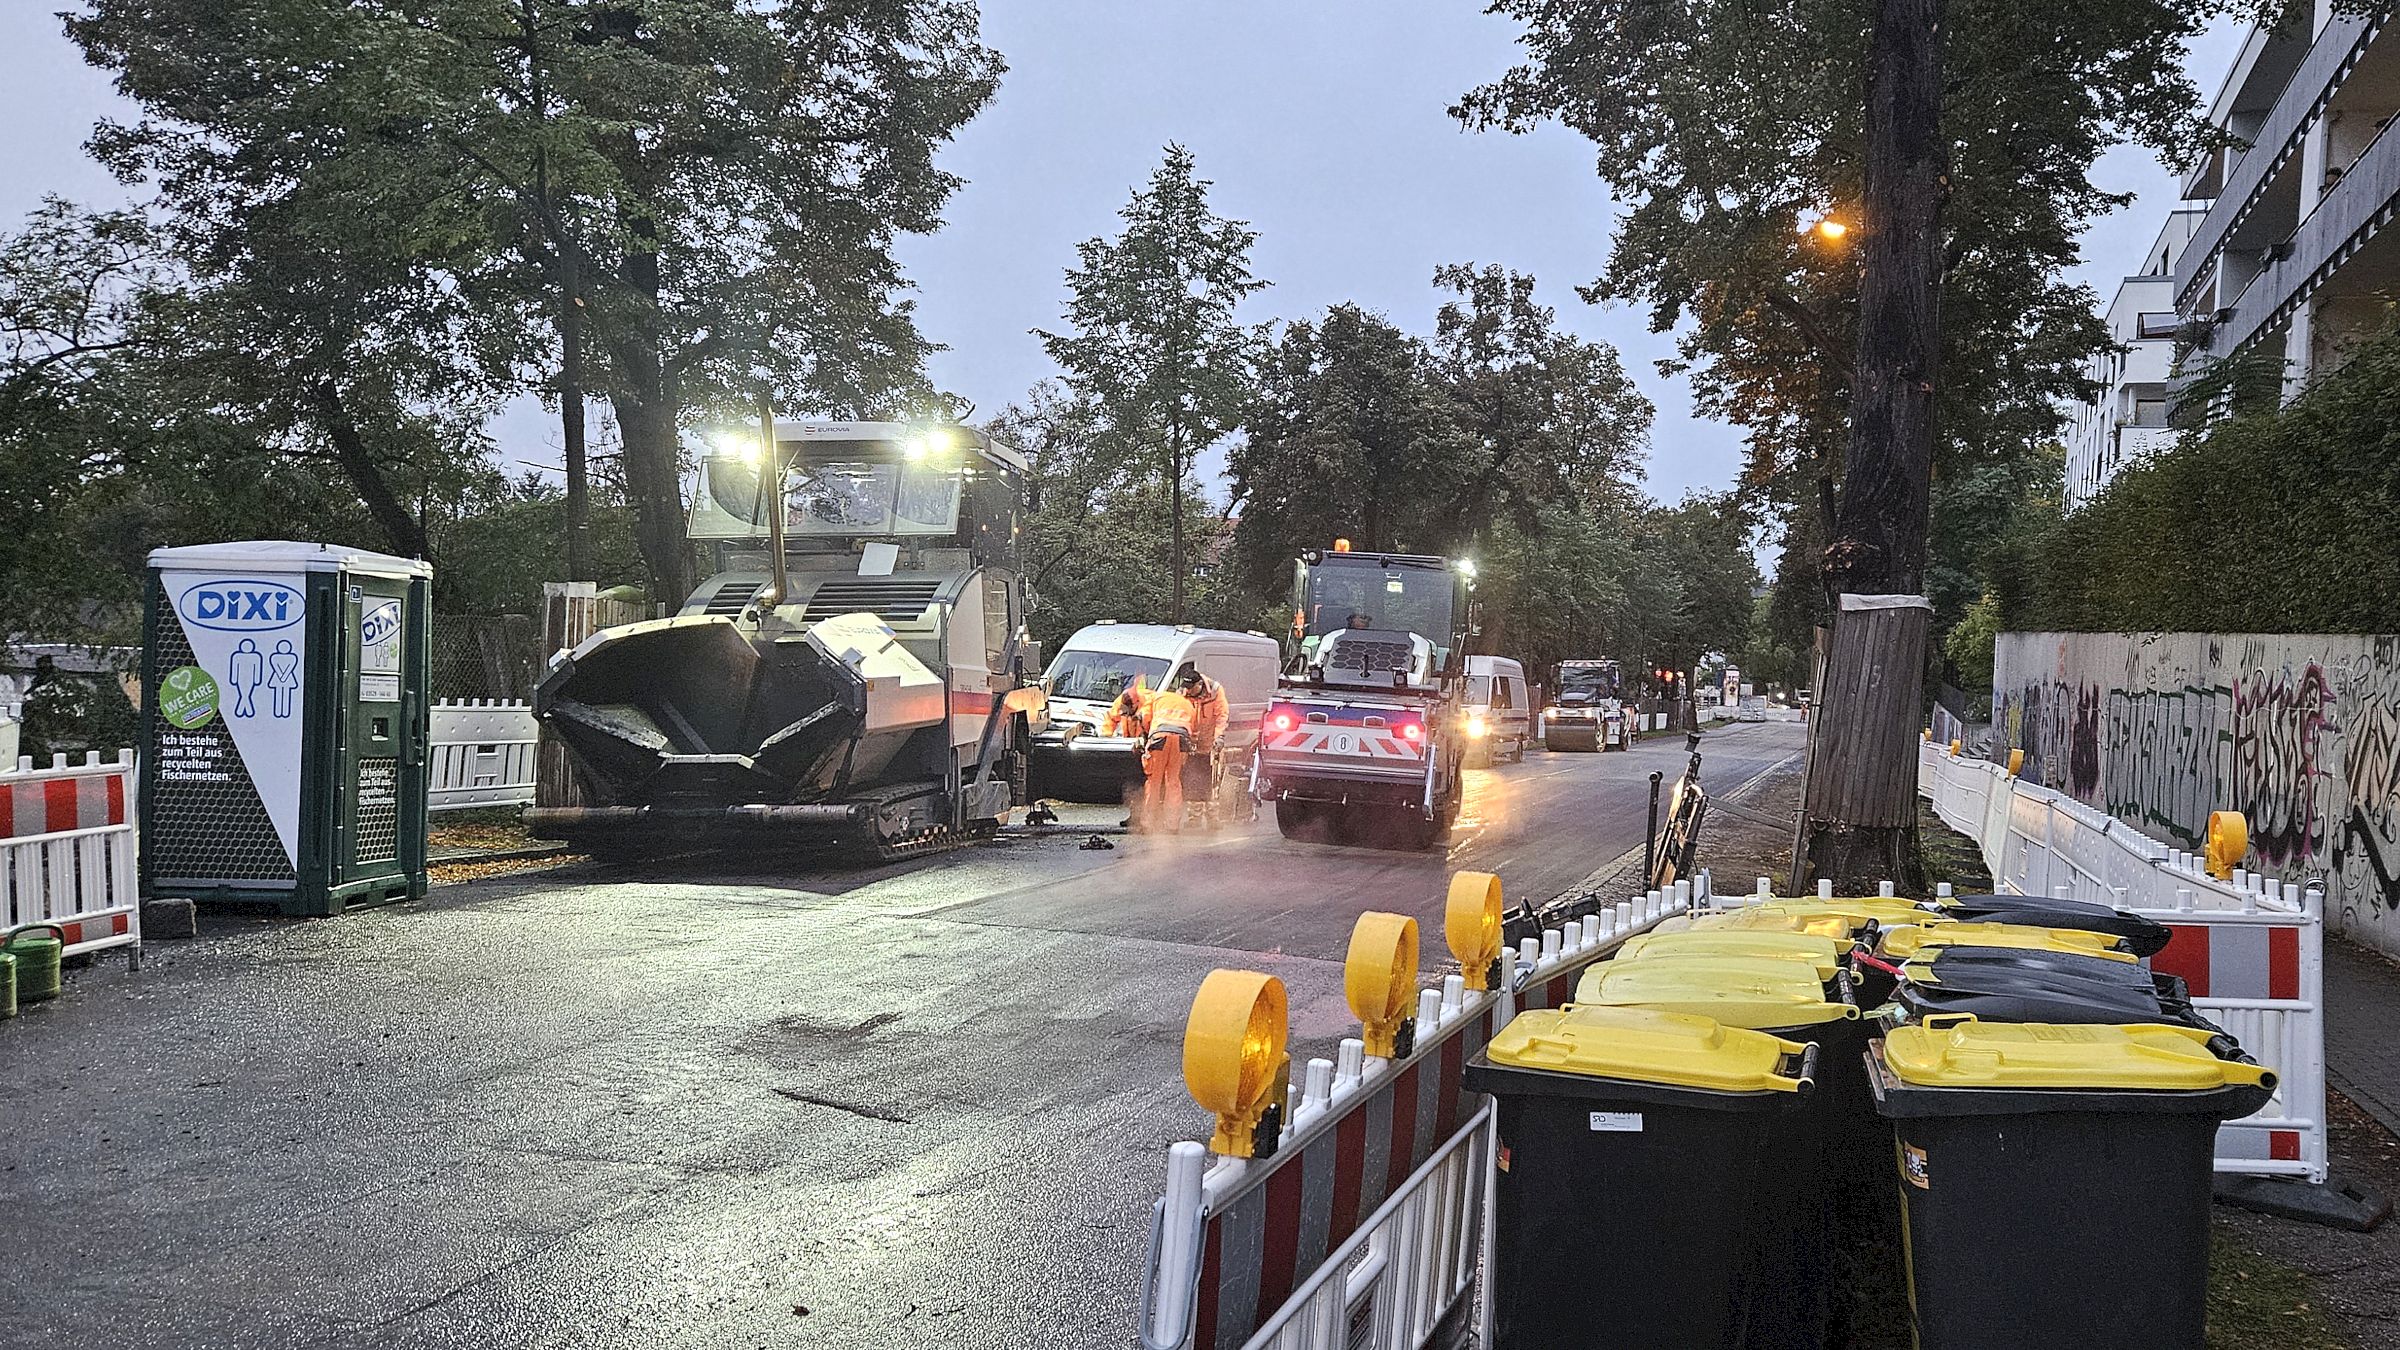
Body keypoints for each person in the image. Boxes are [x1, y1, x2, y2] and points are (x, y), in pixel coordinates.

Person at [1174, 664, 1229, 831]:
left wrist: (1218, 737)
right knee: (1193, 781)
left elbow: (1221, 716)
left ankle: (1213, 818)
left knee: (1212, 782)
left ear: (1199, 685)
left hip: (1210, 745)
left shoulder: (1215, 691)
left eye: (1191, 688)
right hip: (1191, 745)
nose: (1188, 691)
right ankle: (1194, 818)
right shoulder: (1182, 694)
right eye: (1186, 688)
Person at [1141, 678, 1199, 835]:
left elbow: (1145, 717)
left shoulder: (1156, 697)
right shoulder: (1189, 705)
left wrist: (1147, 735)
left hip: (1159, 737)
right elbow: (1193, 728)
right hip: (1180, 740)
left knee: (1154, 781)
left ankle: (1148, 823)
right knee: (1173, 782)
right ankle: (1172, 825)